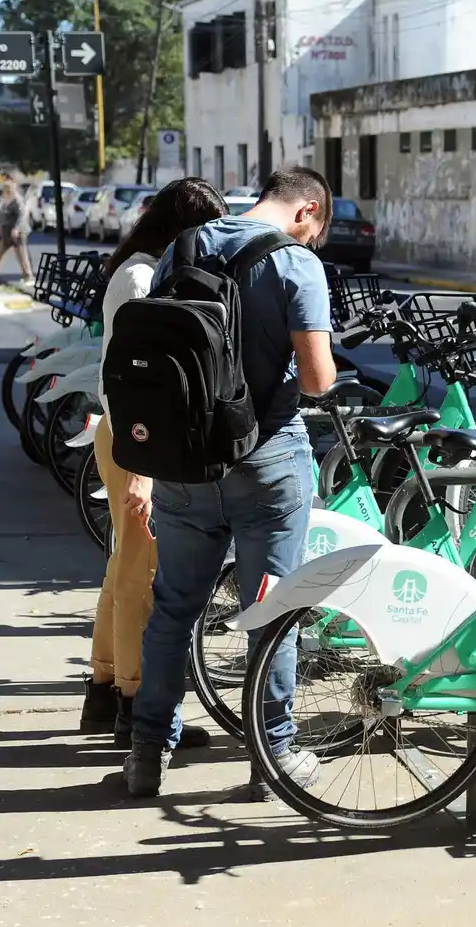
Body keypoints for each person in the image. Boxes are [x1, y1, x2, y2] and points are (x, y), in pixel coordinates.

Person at [123, 167, 337, 799]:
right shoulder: (296, 265)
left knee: (173, 610)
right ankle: (271, 759)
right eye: (317, 230)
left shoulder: (182, 249)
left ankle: (145, 756)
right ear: (306, 211)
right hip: (268, 461)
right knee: (272, 616)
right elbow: (320, 378)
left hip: (184, 464)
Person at [80, 178, 229, 750]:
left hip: (126, 433)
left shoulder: (136, 268)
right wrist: (145, 456)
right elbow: (140, 375)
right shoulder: (145, 276)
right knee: (141, 573)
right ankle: (135, 700)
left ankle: (106, 684)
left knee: (125, 564)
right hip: (136, 436)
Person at [0, 180, 34, 285]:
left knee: (22, 255)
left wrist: (17, 228)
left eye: (7, 189)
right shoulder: (5, 200)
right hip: (6, 231)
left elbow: (22, 216)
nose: (5, 191)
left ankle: (28, 277)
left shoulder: (17, 200)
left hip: (18, 232)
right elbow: (3, 217)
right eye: (4, 189)